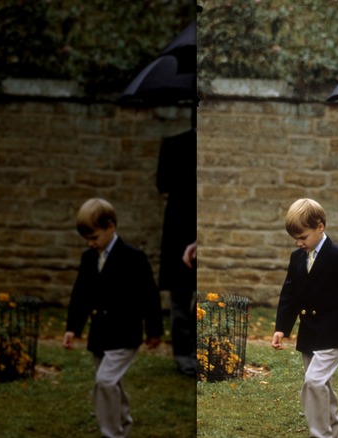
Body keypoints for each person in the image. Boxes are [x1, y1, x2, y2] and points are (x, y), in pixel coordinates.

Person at [272, 198, 338, 438]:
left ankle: (321, 435)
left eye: (303, 237)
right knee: (321, 384)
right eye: (295, 239)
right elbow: (289, 295)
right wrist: (281, 328)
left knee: (314, 382)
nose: (299, 243)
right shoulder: (297, 258)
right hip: (309, 332)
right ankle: (332, 427)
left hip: (333, 332)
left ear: (320, 227)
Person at [63, 198, 163, 438]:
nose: (91, 243)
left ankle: (112, 434)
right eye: (87, 239)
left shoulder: (133, 258)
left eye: (94, 237)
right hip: (99, 334)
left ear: (111, 226)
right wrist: (72, 328)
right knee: (112, 383)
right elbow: (81, 295)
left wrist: (154, 331)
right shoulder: (89, 259)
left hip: (125, 334)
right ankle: (123, 423)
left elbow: (150, 296)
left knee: (105, 382)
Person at [156, 129, 197, 376]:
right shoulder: (174, 145)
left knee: (192, 297)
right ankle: (183, 353)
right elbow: (163, 183)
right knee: (180, 296)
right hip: (178, 224)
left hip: (196, 221)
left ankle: (190, 350)